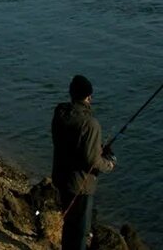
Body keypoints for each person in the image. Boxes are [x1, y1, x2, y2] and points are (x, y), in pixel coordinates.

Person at [52, 75, 116, 250]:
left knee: (68, 225)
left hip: (61, 178)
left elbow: (74, 144)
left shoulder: (60, 113)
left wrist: (97, 147)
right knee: (80, 232)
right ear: (89, 97)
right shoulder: (90, 124)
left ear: (71, 93)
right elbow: (91, 160)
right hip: (80, 186)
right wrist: (108, 164)